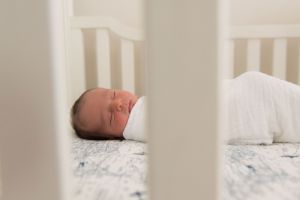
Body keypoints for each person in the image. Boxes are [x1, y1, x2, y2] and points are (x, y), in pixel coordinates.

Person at [72, 71, 300, 144]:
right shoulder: (140, 125)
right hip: (250, 105)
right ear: (112, 138)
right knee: (262, 95)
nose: (118, 104)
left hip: (243, 91)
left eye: (112, 95)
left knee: (254, 84)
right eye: (110, 117)